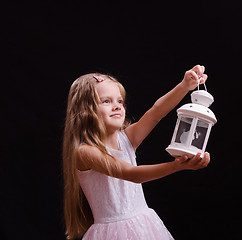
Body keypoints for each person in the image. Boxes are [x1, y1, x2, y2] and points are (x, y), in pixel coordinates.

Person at [62, 65, 211, 240]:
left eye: (120, 101)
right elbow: (131, 174)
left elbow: (156, 113)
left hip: (144, 226)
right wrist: (175, 166)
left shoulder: (127, 138)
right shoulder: (85, 152)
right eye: (106, 101)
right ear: (85, 110)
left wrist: (184, 86)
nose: (117, 106)